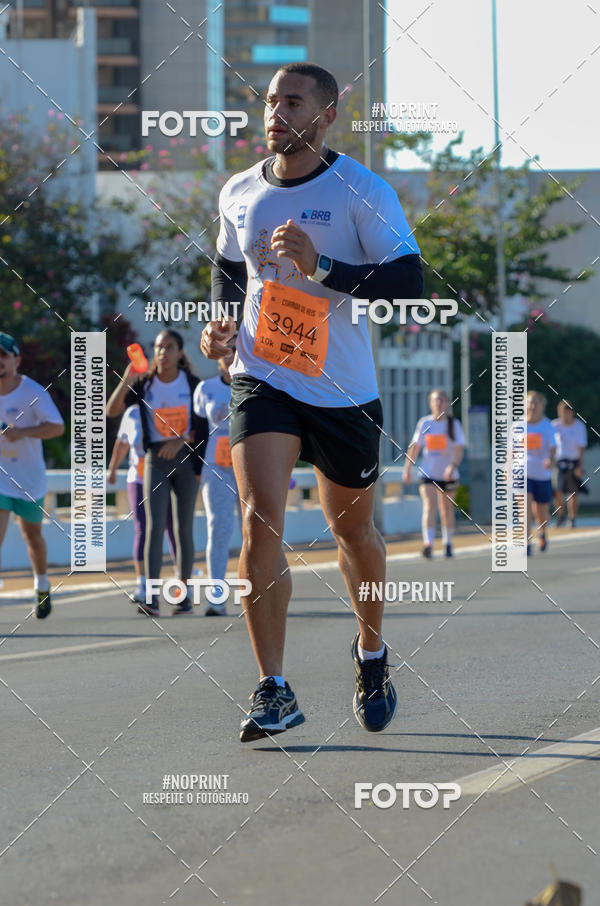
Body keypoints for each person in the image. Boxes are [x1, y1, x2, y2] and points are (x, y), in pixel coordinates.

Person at [200, 63, 423, 742]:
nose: (276, 111)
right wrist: (221, 324)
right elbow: (228, 270)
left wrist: (321, 267)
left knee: (355, 533)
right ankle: (274, 688)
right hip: (263, 375)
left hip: (344, 389)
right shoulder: (239, 191)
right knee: (261, 516)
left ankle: (372, 651)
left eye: (292, 101)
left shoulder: (362, 189)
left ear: (326, 115)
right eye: (270, 100)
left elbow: (409, 282)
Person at [107, 330, 207, 616]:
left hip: (185, 460)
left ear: (179, 353)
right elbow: (111, 410)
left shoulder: (191, 384)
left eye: (169, 347)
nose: (162, 352)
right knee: (153, 527)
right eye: (159, 347)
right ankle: (151, 598)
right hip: (155, 462)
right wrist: (127, 377)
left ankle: (184, 596)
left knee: (182, 527)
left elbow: (203, 428)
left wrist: (181, 440)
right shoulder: (145, 384)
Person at [0, 332, 64, 618]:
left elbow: (57, 427)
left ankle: (41, 584)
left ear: (16, 360)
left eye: (3, 356)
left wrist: (21, 433)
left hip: (28, 481)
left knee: (32, 536)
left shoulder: (33, 392)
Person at [107, 404, 178, 603]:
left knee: (172, 528)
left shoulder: (166, 405)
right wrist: (112, 469)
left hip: (167, 477)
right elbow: (122, 443)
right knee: (142, 529)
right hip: (138, 479)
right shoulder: (132, 413)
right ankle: (143, 584)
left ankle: (181, 581)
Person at [193, 338, 240, 617]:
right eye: (223, 349)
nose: (228, 354)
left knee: (255, 532)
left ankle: (260, 594)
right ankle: (217, 597)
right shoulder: (206, 389)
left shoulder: (259, 384)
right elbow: (197, 429)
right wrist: (196, 468)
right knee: (218, 529)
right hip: (217, 467)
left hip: (250, 466)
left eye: (233, 348)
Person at [403, 389, 465, 558]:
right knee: (429, 506)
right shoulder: (424, 423)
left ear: (448, 403)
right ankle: (428, 543)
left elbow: (459, 450)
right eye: (436, 400)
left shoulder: (454, 424)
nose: (439, 403)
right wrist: (407, 468)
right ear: (431, 403)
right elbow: (415, 447)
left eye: (442, 400)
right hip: (428, 473)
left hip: (448, 474)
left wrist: (452, 466)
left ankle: (448, 543)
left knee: (446, 509)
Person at [525, 390, 556, 555]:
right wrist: (507, 470)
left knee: (541, 510)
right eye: (530, 402)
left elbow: (552, 447)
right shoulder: (518, 426)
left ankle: (542, 533)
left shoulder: (547, 425)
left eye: (536, 402)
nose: (533, 405)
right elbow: (511, 451)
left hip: (542, 473)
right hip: (522, 472)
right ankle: (526, 541)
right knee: (525, 506)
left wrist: (550, 459)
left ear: (542, 406)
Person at [552, 400, 587, 528]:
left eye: (567, 412)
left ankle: (572, 519)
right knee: (557, 491)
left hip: (573, 462)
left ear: (571, 412)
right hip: (559, 462)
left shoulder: (578, 426)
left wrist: (579, 465)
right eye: (562, 412)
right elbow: (550, 445)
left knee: (573, 493)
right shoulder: (555, 425)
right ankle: (561, 515)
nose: (564, 415)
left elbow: (581, 447)